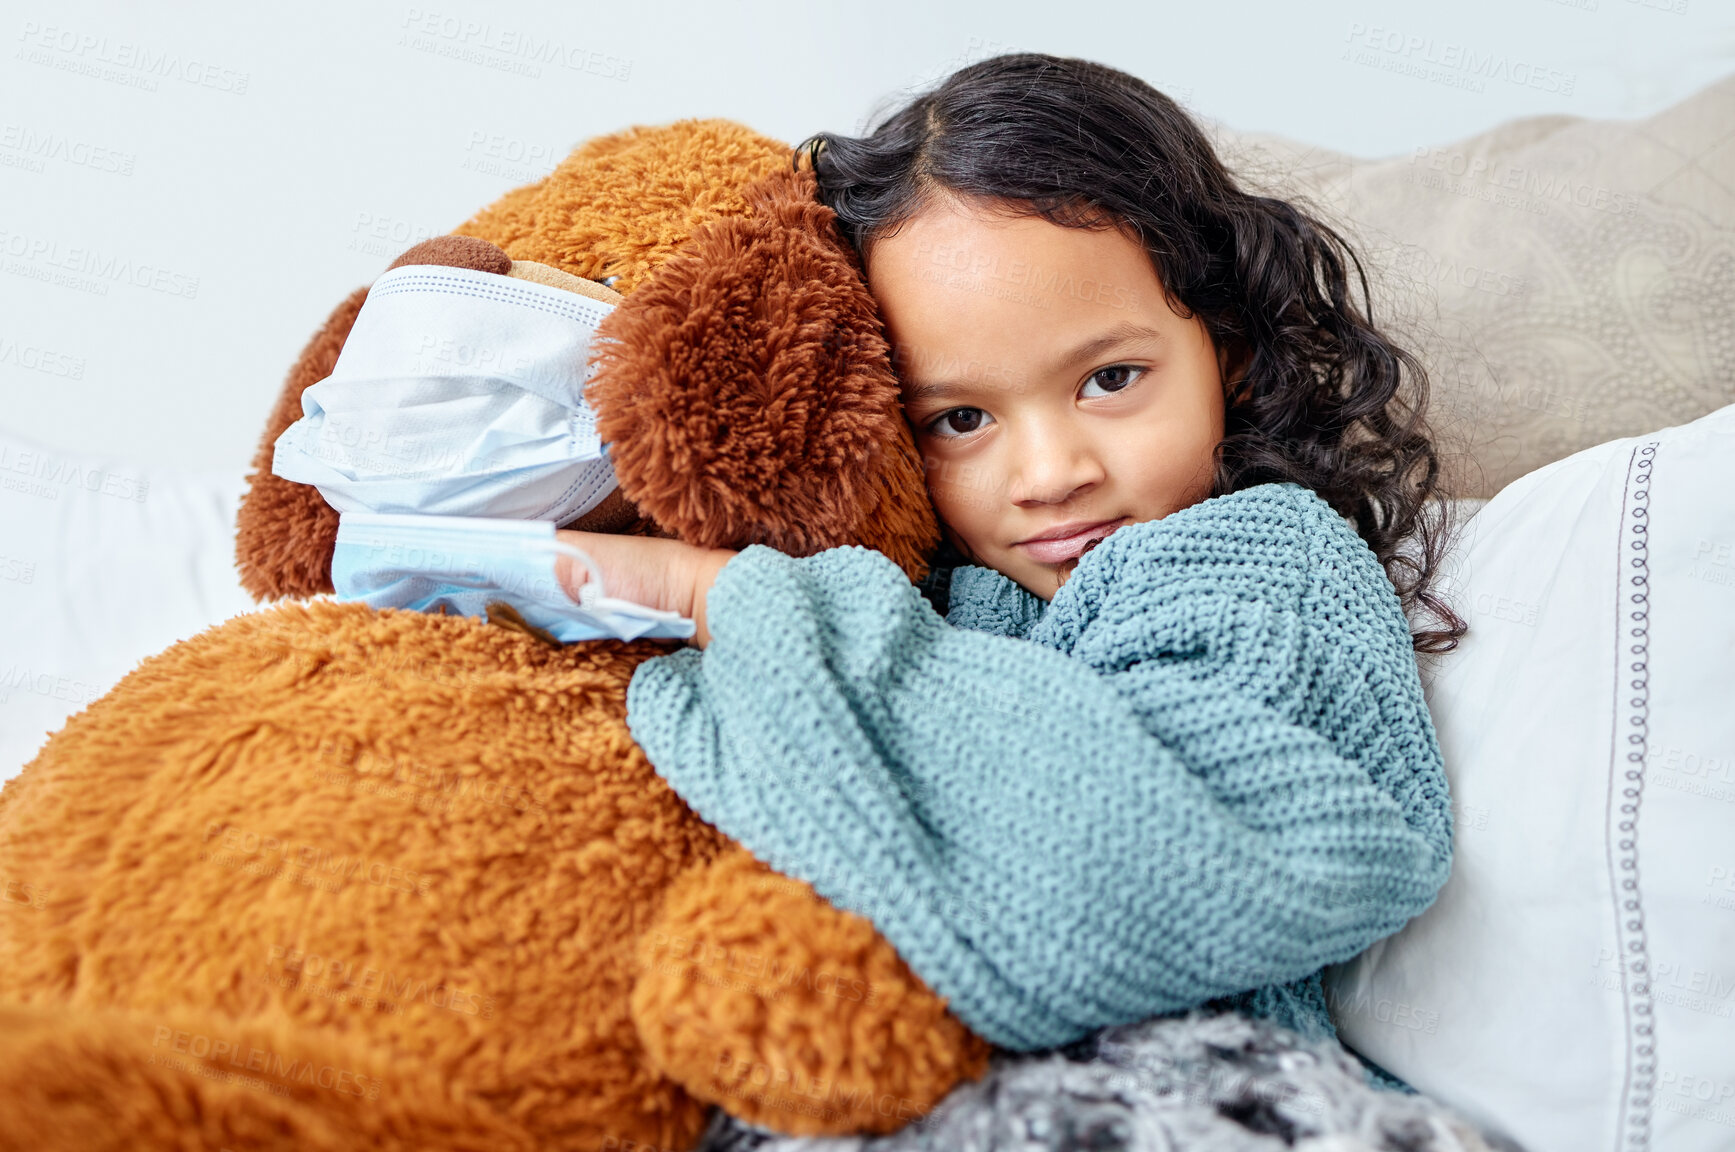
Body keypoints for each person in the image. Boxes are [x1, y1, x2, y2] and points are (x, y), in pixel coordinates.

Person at [553, 52, 1467, 1083]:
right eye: (961, 419)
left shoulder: (1271, 561)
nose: (1048, 474)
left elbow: (1158, 869)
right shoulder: (932, 588)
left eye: (1109, 379)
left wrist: (720, 598)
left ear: (1230, 349)